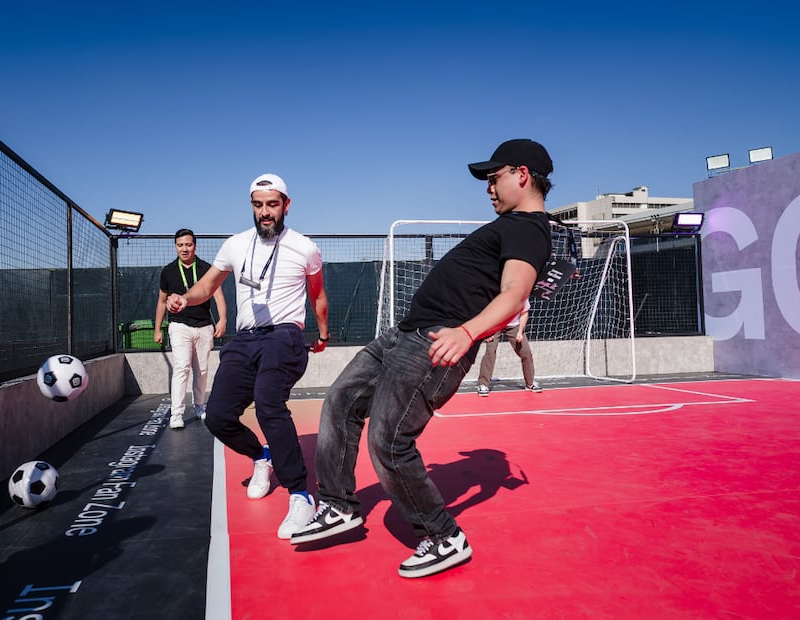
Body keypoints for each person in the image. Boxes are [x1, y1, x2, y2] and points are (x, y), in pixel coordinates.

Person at [291, 139, 554, 579]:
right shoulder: (510, 225)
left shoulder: (527, 229)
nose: (489, 188)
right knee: (340, 401)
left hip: (432, 344)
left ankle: (443, 536)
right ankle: (338, 506)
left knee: (391, 441)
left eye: (495, 177)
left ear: (521, 175)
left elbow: (515, 293)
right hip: (403, 335)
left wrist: (467, 332)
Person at [167, 173, 330, 540]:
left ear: (286, 205)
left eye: (272, 204)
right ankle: (261, 456)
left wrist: (322, 333)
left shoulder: (305, 248)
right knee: (218, 416)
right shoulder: (235, 245)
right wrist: (184, 298)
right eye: (258, 205)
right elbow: (208, 286)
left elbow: (317, 295)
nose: (265, 212)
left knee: (269, 404)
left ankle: (301, 495)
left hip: (285, 334)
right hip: (245, 337)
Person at [155, 228, 228, 429]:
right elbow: (162, 302)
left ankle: (199, 406)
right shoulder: (168, 271)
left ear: (195, 245)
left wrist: (222, 320)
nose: (184, 249)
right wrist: (157, 329)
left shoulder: (206, 268)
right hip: (179, 326)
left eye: (188, 244)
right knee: (181, 367)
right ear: (176, 247)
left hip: (204, 326)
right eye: (180, 245)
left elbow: (218, 295)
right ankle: (176, 414)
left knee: (202, 370)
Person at [476, 298, 542, 396]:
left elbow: (524, 313)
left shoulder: (522, 292)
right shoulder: (494, 293)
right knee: (490, 351)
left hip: (514, 325)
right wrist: (486, 332)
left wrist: (520, 332)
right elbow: (484, 313)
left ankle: (530, 383)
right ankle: (483, 384)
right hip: (494, 324)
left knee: (526, 352)